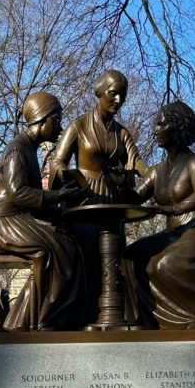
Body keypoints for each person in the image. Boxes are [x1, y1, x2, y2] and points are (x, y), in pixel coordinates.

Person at [0, 92, 86, 331]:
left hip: (13, 220)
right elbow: (17, 194)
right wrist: (58, 196)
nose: (60, 127)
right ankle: (42, 320)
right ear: (41, 118)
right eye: (57, 120)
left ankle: (26, 321)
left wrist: (64, 215)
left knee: (68, 244)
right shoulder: (18, 149)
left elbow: (33, 204)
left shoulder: (29, 150)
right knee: (58, 249)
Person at [48, 70, 149, 325]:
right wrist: (66, 174)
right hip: (85, 197)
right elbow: (57, 160)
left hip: (112, 198)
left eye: (122, 95)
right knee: (87, 256)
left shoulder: (121, 133)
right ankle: (79, 319)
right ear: (100, 93)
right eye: (113, 93)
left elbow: (136, 161)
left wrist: (151, 174)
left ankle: (112, 315)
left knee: (114, 256)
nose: (118, 100)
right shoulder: (79, 125)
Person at [122, 101, 195, 329]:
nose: (155, 130)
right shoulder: (157, 170)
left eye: (161, 124)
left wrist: (174, 209)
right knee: (130, 256)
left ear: (178, 127)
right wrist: (119, 181)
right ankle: (146, 322)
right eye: (156, 124)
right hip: (175, 232)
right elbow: (135, 197)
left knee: (164, 265)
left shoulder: (194, 162)